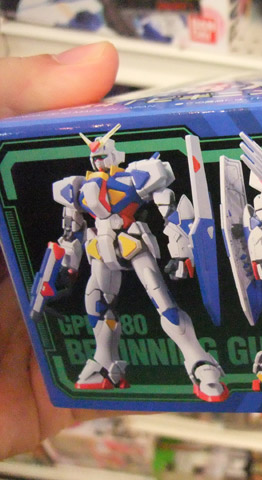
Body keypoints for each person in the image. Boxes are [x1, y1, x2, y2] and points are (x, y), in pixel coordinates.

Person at [0, 42, 120, 459]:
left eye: (104, 152)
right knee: (96, 303)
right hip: (98, 246)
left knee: (162, 303)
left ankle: (196, 360)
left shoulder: (135, 176)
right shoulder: (78, 186)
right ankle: (106, 362)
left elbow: (166, 202)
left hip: (133, 243)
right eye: (95, 153)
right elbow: (72, 226)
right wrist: (63, 260)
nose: (99, 157)